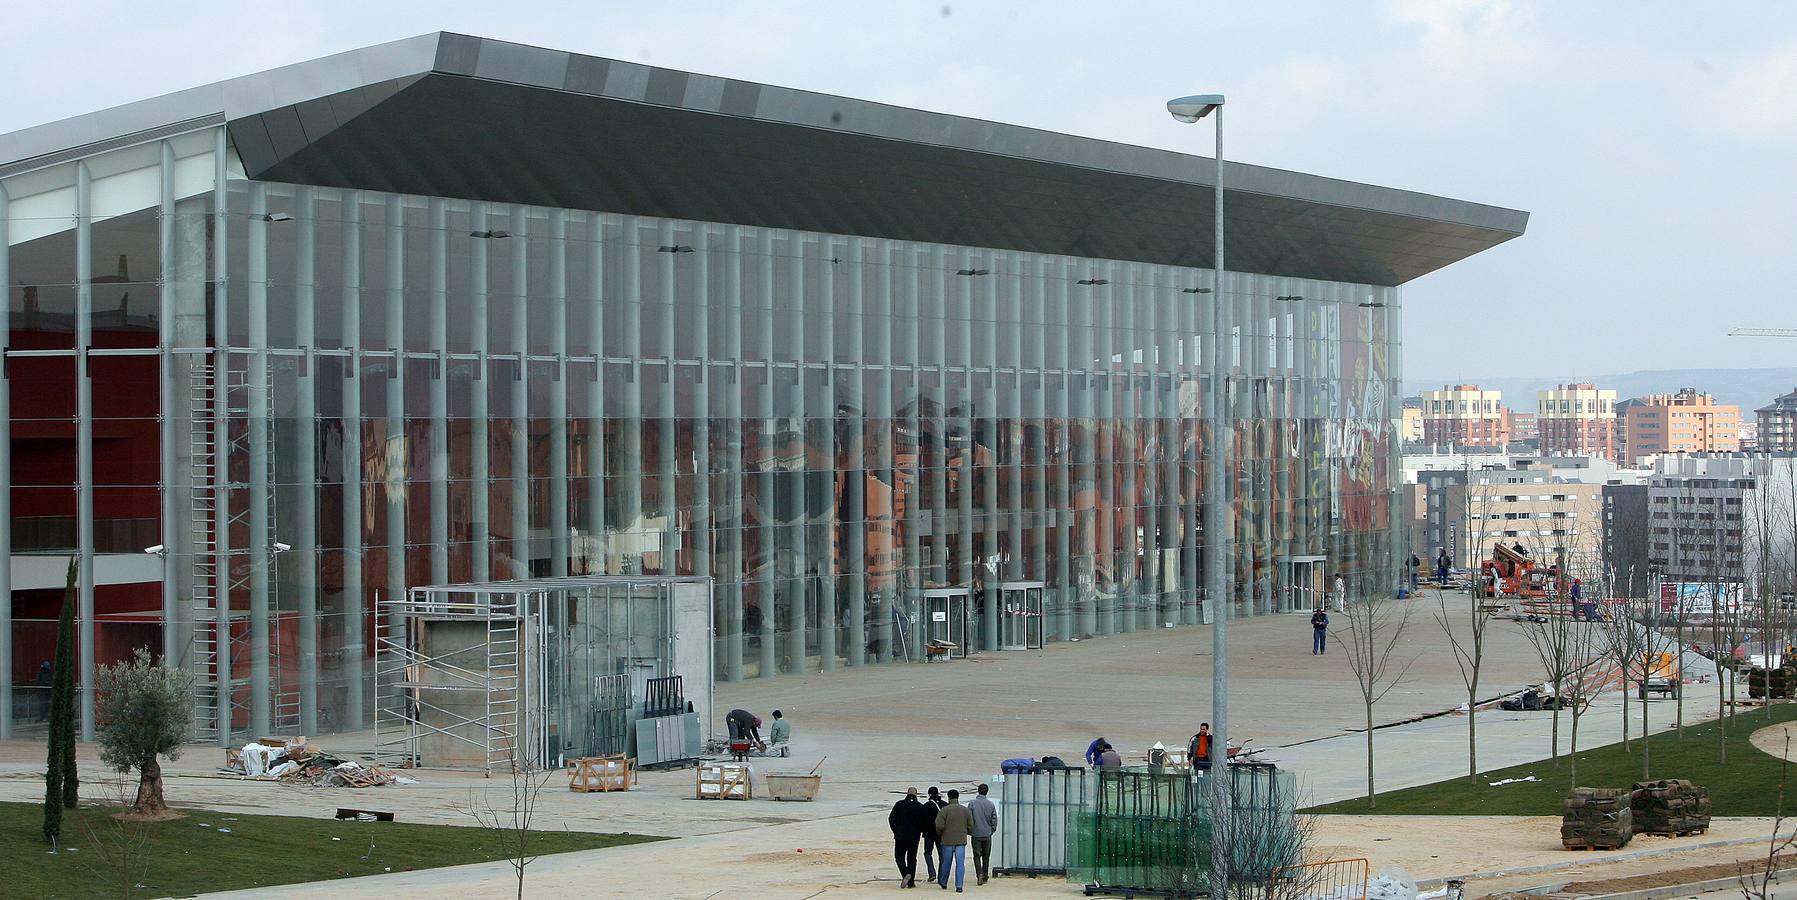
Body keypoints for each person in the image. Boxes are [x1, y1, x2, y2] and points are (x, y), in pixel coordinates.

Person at [934, 788, 974, 892]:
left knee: (946, 862)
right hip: (961, 840)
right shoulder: (965, 810)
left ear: (948, 797)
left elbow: (939, 825)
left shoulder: (944, 810)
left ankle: (943, 882)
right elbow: (971, 825)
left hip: (947, 840)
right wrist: (966, 832)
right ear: (958, 797)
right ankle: (959, 885)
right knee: (960, 863)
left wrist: (941, 834)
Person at [889, 787, 928, 888]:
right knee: (912, 859)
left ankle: (905, 873)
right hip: (914, 837)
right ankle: (911, 883)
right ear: (916, 795)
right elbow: (925, 822)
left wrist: (895, 831)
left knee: (899, 857)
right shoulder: (920, 807)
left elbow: (891, 818)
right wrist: (920, 831)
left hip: (900, 836)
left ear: (907, 794)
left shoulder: (899, 804)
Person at [967, 783, 1000, 886]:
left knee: (976, 855)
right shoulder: (990, 804)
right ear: (987, 792)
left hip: (976, 834)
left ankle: (979, 874)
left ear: (978, 790)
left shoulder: (972, 804)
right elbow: (994, 819)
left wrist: (970, 831)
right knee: (986, 856)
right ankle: (985, 875)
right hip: (987, 834)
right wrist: (992, 830)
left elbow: (969, 819)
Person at [920, 786, 946, 882]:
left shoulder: (926, 805)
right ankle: (941, 876)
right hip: (941, 834)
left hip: (929, 834)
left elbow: (922, 820)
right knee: (942, 855)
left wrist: (923, 830)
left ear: (929, 794)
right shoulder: (944, 805)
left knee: (927, 853)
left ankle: (931, 873)